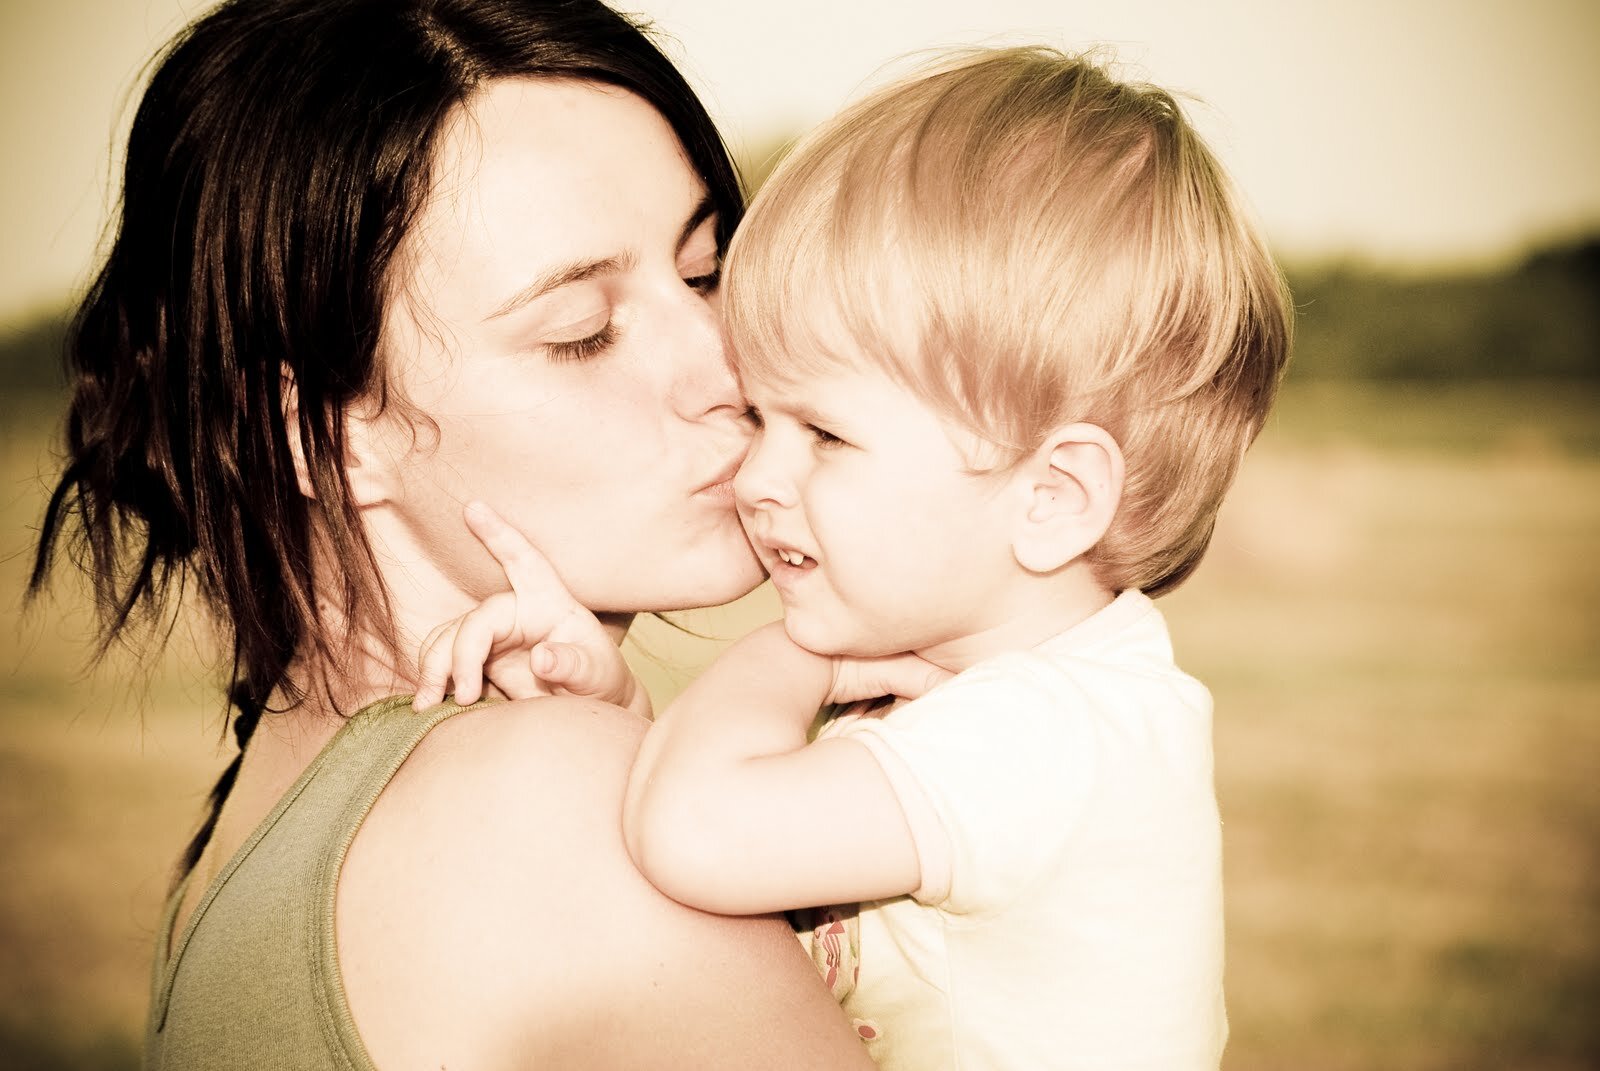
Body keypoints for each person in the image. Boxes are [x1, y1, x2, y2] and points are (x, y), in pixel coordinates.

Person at [28, 1, 878, 1067]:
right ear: (323, 440)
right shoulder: (546, 802)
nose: (729, 369)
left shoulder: (254, 839)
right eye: (582, 334)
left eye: (706, 271)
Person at [418, 46, 1293, 1070]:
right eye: (764, 414)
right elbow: (761, 835)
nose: (756, 475)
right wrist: (617, 712)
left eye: (824, 435)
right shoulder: (1003, 695)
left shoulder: (1044, 737)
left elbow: (697, 833)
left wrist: (794, 662)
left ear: (1050, 500)